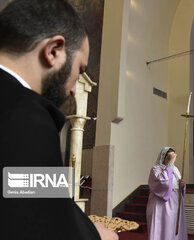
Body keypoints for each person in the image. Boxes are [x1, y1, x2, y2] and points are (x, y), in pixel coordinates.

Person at [0, 0, 117, 239]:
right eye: (79, 70)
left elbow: (38, 198)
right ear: (54, 50)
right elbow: (41, 227)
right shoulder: (27, 117)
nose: (74, 89)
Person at [146, 147, 188, 240]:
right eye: (169, 157)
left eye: (173, 156)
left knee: (174, 227)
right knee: (163, 227)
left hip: (175, 202)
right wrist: (169, 165)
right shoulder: (156, 169)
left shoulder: (175, 169)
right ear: (163, 157)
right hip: (162, 204)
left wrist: (182, 186)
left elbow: (177, 185)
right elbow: (162, 182)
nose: (172, 159)